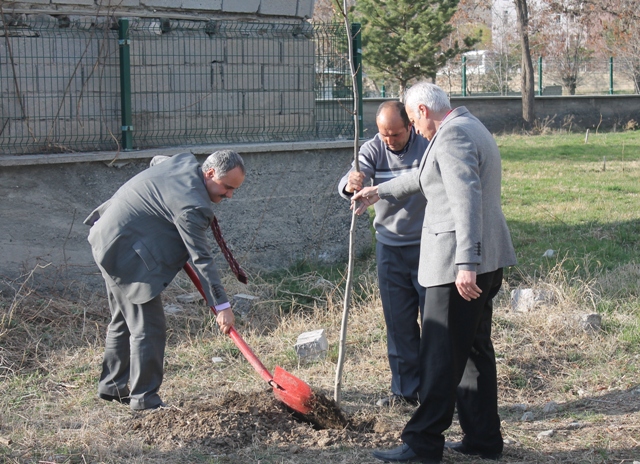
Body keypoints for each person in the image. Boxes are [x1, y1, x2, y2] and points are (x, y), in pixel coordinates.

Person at [353, 82, 516, 463]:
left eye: (413, 120)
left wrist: (466, 264)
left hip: (456, 267)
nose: (416, 129)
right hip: (487, 262)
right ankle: (483, 440)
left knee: (441, 355)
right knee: (474, 352)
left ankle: (423, 442)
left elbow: (466, 201)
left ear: (423, 111)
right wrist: (380, 191)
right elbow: (426, 176)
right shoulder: (468, 126)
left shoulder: (452, 136)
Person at [84, 150, 245, 411]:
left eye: (234, 189)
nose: (229, 195)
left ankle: (112, 386)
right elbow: (201, 259)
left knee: (124, 318)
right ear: (209, 173)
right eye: (226, 187)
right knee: (149, 327)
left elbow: (156, 161)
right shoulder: (192, 206)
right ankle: (145, 400)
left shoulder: (181, 162)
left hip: (108, 236)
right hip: (124, 253)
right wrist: (222, 306)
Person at [338, 100, 429, 407]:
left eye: (396, 134)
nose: (390, 140)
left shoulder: (427, 146)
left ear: (410, 126)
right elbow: (355, 174)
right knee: (399, 323)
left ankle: (434, 392)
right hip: (390, 248)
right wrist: (352, 183)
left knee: (434, 323)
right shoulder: (374, 148)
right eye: (384, 134)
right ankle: (404, 393)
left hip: (429, 246)